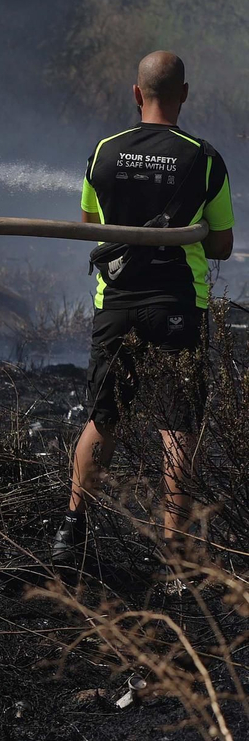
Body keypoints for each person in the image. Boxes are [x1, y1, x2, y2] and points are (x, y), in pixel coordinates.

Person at [53, 51, 234, 569]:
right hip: (177, 304)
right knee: (178, 427)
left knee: (102, 418)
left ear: (137, 94)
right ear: (184, 94)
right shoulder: (204, 158)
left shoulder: (104, 152)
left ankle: (72, 529)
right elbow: (221, 243)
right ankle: (173, 548)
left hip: (117, 303)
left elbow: (90, 224)